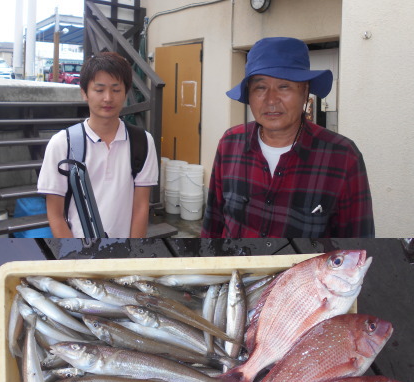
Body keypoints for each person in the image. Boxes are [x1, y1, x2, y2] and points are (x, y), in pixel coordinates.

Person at [201, 37, 375, 238]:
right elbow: (212, 224)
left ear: (305, 91)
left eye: (284, 86)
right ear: (248, 94)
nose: (271, 99)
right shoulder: (230, 143)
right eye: (260, 87)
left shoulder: (343, 157)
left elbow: (356, 245)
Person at [37, 52, 158, 238]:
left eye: (116, 90)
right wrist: (77, 258)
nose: (108, 98)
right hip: (79, 253)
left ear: (126, 93)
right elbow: (55, 214)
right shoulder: (62, 143)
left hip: (123, 254)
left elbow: (141, 207)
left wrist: (132, 255)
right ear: (84, 92)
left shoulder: (143, 141)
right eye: (99, 90)